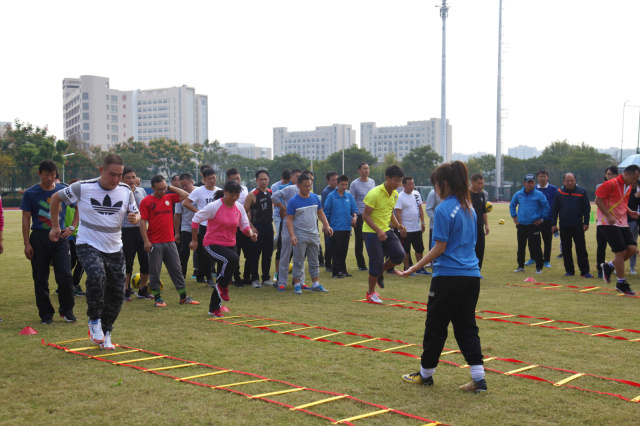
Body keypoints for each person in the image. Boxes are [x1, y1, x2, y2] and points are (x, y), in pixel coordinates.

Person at [397, 161, 486, 393]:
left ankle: (425, 375)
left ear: (444, 184)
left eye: (436, 185)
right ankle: (479, 379)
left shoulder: (445, 209)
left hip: (448, 277)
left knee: (435, 326)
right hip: (471, 277)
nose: (434, 189)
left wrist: (413, 267)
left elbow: (440, 247)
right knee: (467, 326)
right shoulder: (469, 207)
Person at [50, 154, 140, 350]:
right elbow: (56, 198)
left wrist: (136, 218)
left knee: (117, 294)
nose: (116, 179)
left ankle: (107, 333)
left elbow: (136, 213)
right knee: (96, 276)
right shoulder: (82, 187)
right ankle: (94, 320)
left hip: (115, 247)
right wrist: (55, 226)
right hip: (88, 243)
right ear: (101, 170)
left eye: (120, 175)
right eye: (112, 175)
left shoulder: (126, 191)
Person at [22, 160, 77, 324]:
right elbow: (25, 219)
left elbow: (78, 206)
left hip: (60, 237)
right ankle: (46, 314)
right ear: (40, 174)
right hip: (39, 237)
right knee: (40, 278)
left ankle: (67, 311)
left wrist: (72, 227)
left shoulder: (63, 190)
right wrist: (27, 243)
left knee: (65, 275)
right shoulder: (31, 193)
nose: (49, 178)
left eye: (53, 175)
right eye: (46, 175)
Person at [190, 181, 257, 317]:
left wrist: (251, 234)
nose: (234, 198)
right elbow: (196, 219)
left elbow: (244, 225)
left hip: (230, 244)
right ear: (225, 192)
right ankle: (223, 287)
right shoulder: (214, 206)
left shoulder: (238, 207)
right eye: (231, 194)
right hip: (211, 245)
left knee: (222, 275)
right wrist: (194, 240)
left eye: (236, 195)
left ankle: (214, 308)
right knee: (233, 259)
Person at [140, 175, 199, 307]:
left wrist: (170, 187)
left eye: (164, 188)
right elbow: (143, 222)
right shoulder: (146, 201)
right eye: (159, 189)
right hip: (155, 242)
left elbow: (185, 195)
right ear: (152, 188)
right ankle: (157, 299)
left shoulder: (169, 197)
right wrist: (146, 241)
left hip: (170, 241)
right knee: (155, 271)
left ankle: (183, 297)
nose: (162, 191)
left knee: (176, 269)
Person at [362, 165, 407, 304]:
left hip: (386, 230)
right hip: (371, 232)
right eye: (396, 181)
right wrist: (378, 230)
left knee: (399, 255)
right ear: (387, 178)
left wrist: (399, 226)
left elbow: (390, 212)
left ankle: (379, 272)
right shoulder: (374, 193)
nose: (398, 184)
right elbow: (365, 215)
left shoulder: (395, 194)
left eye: (400, 181)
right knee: (375, 261)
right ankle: (370, 293)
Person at [595, 164, 640, 295]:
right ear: (626, 174)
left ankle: (608, 266)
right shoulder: (611, 184)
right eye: (634, 178)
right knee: (620, 251)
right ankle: (621, 282)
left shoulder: (629, 186)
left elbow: (622, 202)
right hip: (607, 222)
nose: (635, 181)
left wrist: (630, 211)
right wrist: (608, 216)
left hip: (622, 221)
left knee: (632, 249)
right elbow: (598, 200)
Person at [287, 174, 333, 294]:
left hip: (314, 235)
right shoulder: (293, 201)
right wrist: (292, 235)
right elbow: (289, 220)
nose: (308, 188)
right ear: (298, 186)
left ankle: (315, 284)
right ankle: (297, 285)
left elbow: (320, 213)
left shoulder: (314, 197)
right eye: (305, 186)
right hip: (300, 236)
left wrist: (327, 225)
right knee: (298, 261)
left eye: (309, 186)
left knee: (314, 261)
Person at [183, 168, 221, 285]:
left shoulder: (220, 191)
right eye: (209, 179)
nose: (212, 181)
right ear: (204, 180)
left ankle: (210, 275)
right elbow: (186, 203)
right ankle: (208, 277)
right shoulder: (199, 191)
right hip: (204, 226)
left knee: (218, 251)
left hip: (218, 226)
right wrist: (199, 213)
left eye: (213, 178)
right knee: (205, 252)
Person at [551, 172, 592, 278]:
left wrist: (586, 223)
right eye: (567, 181)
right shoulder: (559, 193)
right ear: (564, 181)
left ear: (575, 180)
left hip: (578, 225)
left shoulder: (582, 191)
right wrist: (553, 224)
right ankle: (569, 270)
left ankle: (584, 271)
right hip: (564, 226)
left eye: (572, 180)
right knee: (566, 249)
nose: (570, 182)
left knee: (581, 249)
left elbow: (586, 209)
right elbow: (555, 210)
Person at [121, 167, 152, 301]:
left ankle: (143, 289)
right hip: (125, 231)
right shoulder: (118, 192)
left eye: (133, 177)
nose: (132, 180)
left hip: (142, 230)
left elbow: (146, 210)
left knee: (146, 261)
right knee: (127, 262)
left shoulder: (141, 191)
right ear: (121, 179)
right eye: (128, 177)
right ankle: (125, 289)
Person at [510, 174, 550, 274]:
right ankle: (520, 266)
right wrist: (514, 217)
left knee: (536, 246)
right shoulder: (518, 194)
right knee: (521, 246)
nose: (530, 184)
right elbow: (512, 205)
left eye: (532, 182)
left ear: (534, 183)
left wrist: (542, 219)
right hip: (522, 224)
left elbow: (546, 207)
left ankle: (539, 267)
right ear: (524, 183)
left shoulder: (539, 194)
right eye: (528, 182)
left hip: (534, 225)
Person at [273, 169, 303, 290]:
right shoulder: (289, 189)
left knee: (300, 255)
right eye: (296, 176)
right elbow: (274, 196)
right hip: (287, 224)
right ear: (291, 177)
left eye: (300, 177)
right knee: (285, 254)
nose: (298, 178)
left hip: (300, 226)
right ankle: (281, 282)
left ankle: (300, 282)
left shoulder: (305, 190)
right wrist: (283, 207)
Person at [244, 169, 274, 288]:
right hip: (257, 227)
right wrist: (251, 227)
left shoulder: (271, 193)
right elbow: (243, 213)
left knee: (268, 254)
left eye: (265, 179)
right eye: (261, 179)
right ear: (256, 181)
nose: (263, 181)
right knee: (255, 254)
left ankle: (266, 278)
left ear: (268, 180)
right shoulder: (252, 194)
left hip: (268, 226)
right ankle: (255, 279)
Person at [323, 174, 357, 278]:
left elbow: (354, 209)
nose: (344, 187)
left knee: (344, 250)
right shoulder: (331, 196)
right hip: (335, 228)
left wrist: (355, 217)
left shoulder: (349, 196)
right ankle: (335, 271)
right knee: (336, 250)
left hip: (346, 227)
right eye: (342, 184)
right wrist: (326, 225)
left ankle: (343, 270)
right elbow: (326, 212)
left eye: (346, 185)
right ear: (338, 184)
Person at [395, 176, 430, 275]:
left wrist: (422, 223)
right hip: (406, 228)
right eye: (409, 184)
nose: (412, 186)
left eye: (413, 184)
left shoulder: (416, 194)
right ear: (404, 185)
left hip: (416, 227)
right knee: (405, 250)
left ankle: (420, 268)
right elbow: (398, 213)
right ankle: (407, 268)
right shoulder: (400, 196)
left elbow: (420, 208)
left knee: (419, 248)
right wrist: (401, 227)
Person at [524, 170, 557, 268]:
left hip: (548, 219)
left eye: (544, 176)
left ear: (547, 177)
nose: (542, 178)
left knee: (547, 240)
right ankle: (533, 258)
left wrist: (554, 221)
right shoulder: (532, 188)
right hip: (534, 219)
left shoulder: (553, 189)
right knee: (532, 240)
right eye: (540, 176)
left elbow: (555, 205)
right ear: (537, 178)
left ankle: (546, 260)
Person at [227, 168, 252, 286]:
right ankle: (236, 277)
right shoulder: (226, 192)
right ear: (228, 180)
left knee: (249, 253)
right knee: (235, 253)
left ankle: (247, 277)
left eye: (238, 178)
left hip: (245, 225)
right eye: (233, 179)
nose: (236, 181)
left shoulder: (245, 189)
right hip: (233, 227)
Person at [350, 162, 376, 271]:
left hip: (371, 216)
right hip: (360, 215)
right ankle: (361, 265)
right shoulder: (354, 184)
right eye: (364, 168)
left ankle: (373, 263)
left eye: (368, 168)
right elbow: (352, 200)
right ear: (359, 170)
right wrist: (353, 216)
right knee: (360, 241)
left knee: (371, 240)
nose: (367, 170)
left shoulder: (372, 182)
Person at [596, 166, 619, 278]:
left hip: (617, 221)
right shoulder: (600, 187)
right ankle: (600, 269)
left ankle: (613, 267)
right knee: (601, 246)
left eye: (612, 174)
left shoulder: (620, 187)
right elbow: (599, 202)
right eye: (608, 174)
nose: (610, 176)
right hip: (603, 221)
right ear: (605, 175)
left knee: (618, 247)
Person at [65, 179, 85, 296]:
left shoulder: (78, 201)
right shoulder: (70, 202)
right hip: (73, 236)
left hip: (74, 236)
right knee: (81, 261)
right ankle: (73, 286)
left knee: (70, 263)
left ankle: (64, 286)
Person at [174, 173, 197, 279]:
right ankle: (181, 275)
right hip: (186, 227)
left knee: (201, 251)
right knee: (183, 251)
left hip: (200, 227)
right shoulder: (181, 196)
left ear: (191, 182)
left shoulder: (199, 192)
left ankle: (200, 274)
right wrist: (177, 232)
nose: (184, 188)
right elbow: (177, 215)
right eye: (181, 186)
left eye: (186, 185)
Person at [469, 173, 489, 271]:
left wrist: (487, 225)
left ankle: (478, 270)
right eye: (478, 183)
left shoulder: (482, 194)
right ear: (472, 182)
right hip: (468, 227)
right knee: (469, 249)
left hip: (479, 226)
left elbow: (484, 211)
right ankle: (469, 269)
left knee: (480, 249)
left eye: (482, 183)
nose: (480, 185)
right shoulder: (466, 194)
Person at [321, 171, 338, 272]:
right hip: (329, 223)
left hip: (337, 222)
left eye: (337, 179)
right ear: (328, 180)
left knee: (336, 244)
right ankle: (328, 265)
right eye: (333, 180)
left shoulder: (338, 190)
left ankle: (335, 263)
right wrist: (325, 224)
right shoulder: (326, 192)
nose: (335, 181)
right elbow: (322, 208)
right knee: (329, 244)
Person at [271, 169, 291, 246]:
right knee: (280, 234)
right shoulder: (275, 186)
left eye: (288, 181)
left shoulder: (293, 186)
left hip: (289, 215)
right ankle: (269, 247)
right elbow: (275, 203)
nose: (286, 183)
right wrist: (284, 206)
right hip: (278, 215)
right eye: (285, 181)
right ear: (281, 177)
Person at [627, 181, 640, 275]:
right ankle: (618, 265)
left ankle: (632, 267)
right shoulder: (625, 190)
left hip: (634, 221)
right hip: (622, 220)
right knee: (621, 245)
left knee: (633, 244)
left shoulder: (638, 192)